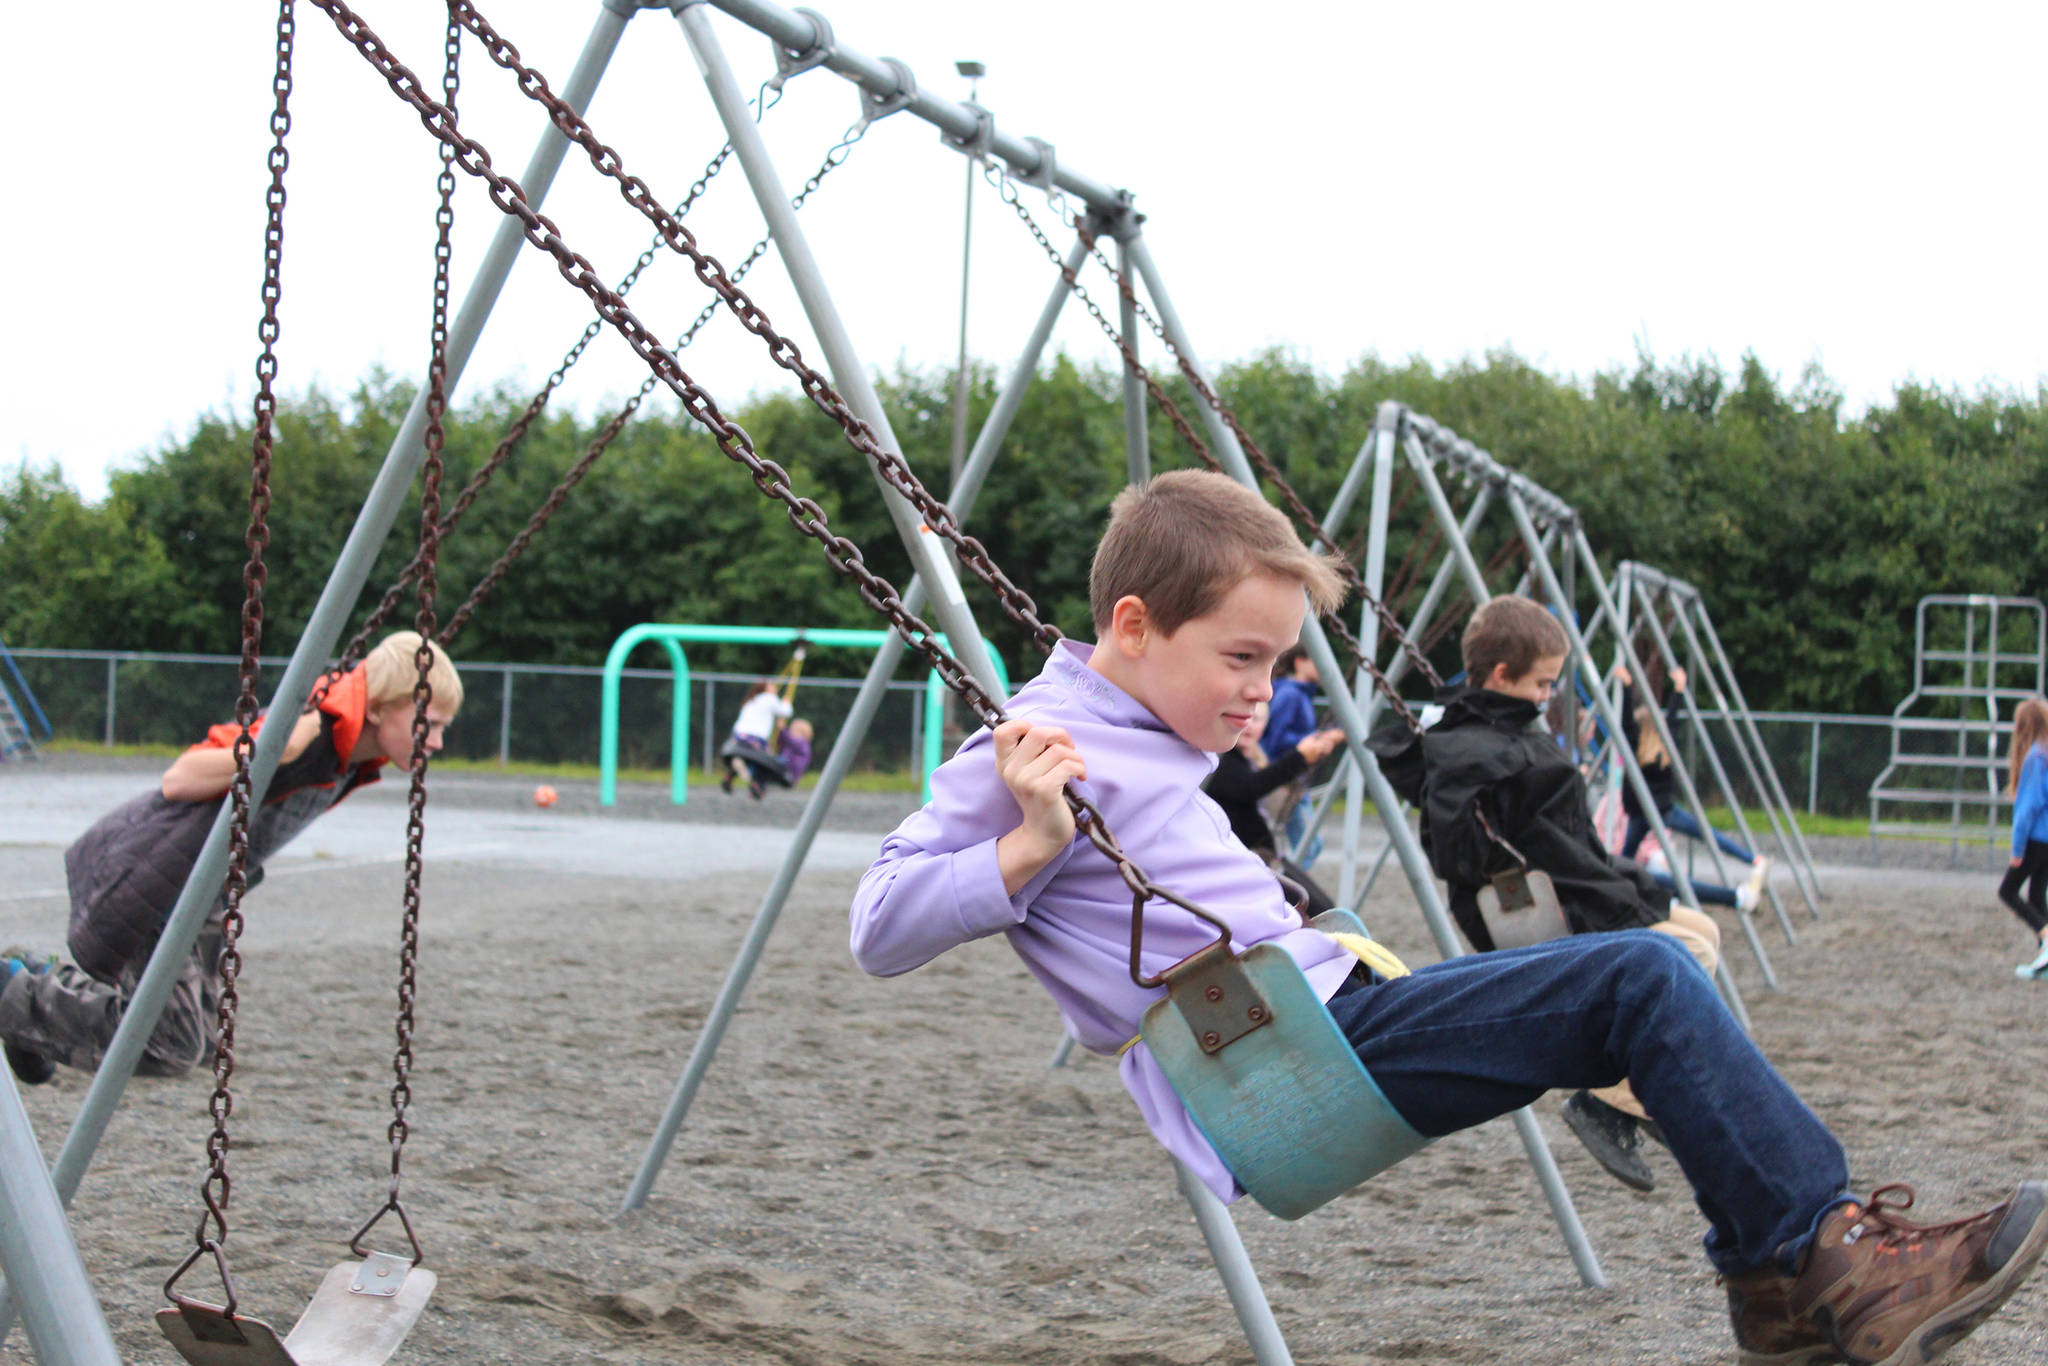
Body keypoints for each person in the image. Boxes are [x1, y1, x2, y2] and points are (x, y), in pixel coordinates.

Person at [848, 470, 2046, 1366]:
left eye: (1273, 662)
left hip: (1324, 1016)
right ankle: (1830, 1260)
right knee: (1639, 978)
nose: (1259, 693)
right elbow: (878, 922)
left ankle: (1783, 1291)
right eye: (1240, 658)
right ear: (1130, 625)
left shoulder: (1144, 727)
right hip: (1277, 1060)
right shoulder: (1038, 751)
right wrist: (1025, 847)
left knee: (1639, 991)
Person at [1370, 596, 1728, 1190]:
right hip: (1555, 901)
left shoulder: (1503, 729)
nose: (1548, 695)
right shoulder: (1471, 749)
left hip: (1579, 874)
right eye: (1542, 683)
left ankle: (1644, 1089)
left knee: (1705, 931)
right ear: (1501, 676)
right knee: (1690, 952)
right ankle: (1610, 1101)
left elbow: (1568, 836)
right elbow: (1457, 853)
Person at [0, 632, 462, 1083]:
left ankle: (34, 982)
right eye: (430, 723)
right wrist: (277, 750)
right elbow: (179, 779)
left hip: (202, 888)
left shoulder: (351, 752)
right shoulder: (305, 731)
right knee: (171, 1042)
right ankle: (12, 992)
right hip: (156, 874)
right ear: (378, 708)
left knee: (204, 1042)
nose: (437, 741)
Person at [1615, 658, 1770, 905]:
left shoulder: (1636, 749)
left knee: (1625, 859)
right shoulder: (1666, 746)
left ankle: (1616, 887)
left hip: (1641, 812)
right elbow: (1672, 719)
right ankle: (1752, 859)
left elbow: (1626, 723)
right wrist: (1678, 690)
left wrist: (1627, 686)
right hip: (1664, 808)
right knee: (1707, 834)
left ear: (1642, 730)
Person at [1200, 700, 1344, 913]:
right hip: (1242, 862)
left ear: (1265, 725)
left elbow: (1266, 791)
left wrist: (1309, 757)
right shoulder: (1220, 759)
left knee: (1324, 906)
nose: (1249, 724)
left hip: (1264, 857)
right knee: (1317, 909)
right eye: (1243, 716)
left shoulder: (1253, 760)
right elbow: (1250, 787)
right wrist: (1301, 757)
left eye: (1256, 719)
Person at [1262, 646, 1324, 866]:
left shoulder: (1301, 694)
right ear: (1299, 662)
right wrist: (1312, 740)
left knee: (1310, 846)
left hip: (1296, 779)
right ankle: (1289, 884)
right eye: (1316, 660)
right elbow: (1274, 739)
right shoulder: (1290, 694)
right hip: (1287, 781)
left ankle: (1290, 881)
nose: (1322, 667)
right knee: (1309, 847)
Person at [2002, 695, 2048, 979]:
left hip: (2036, 840)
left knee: (2007, 891)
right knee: (2036, 896)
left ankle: (2047, 938)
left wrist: (2017, 850)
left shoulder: (2035, 758)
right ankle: (2044, 960)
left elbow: (2028, 810)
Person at [720, 678, 795, 799]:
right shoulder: (769, 698)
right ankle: (757, 785)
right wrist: (787, 702)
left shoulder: (751, 700)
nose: (774, 687)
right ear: (766, 688)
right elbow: (786, 712)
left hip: (738, 736)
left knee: (742, 756)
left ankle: (730, 777)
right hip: (756, 738)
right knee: (762, 762)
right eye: (771, 685)